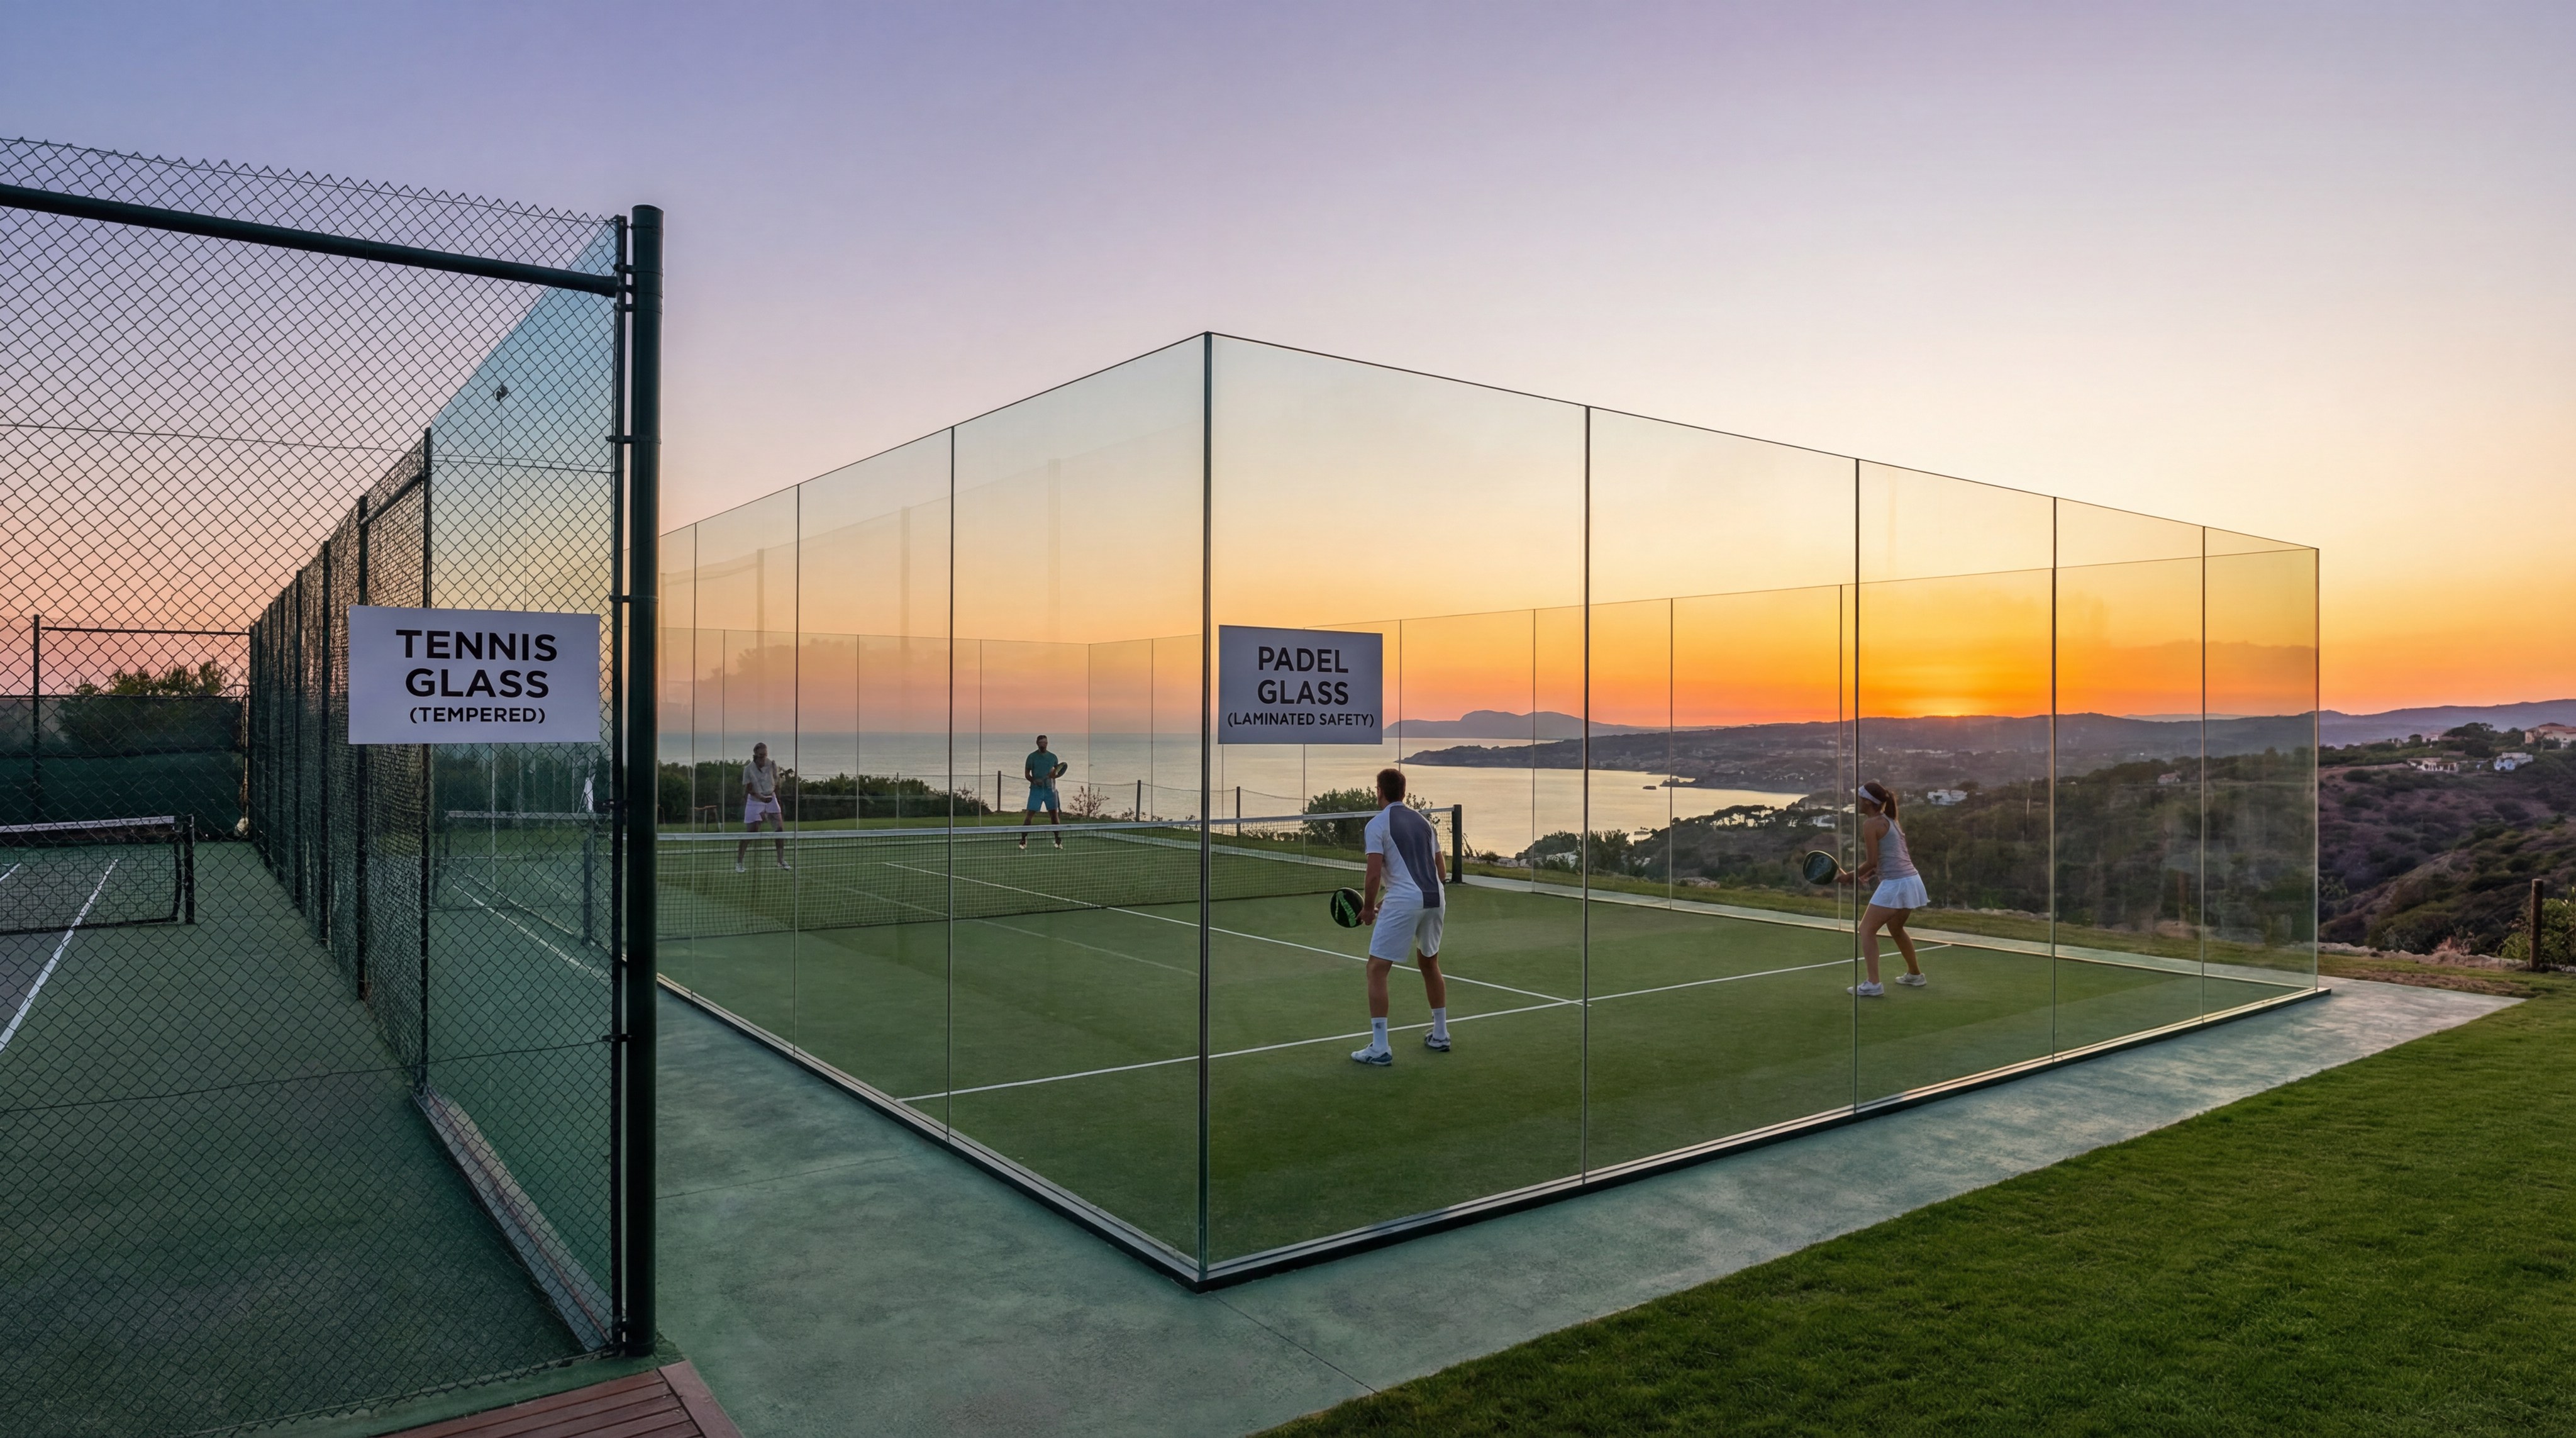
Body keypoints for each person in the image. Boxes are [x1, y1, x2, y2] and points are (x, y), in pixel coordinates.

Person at [1351, 767, 1451, 1066]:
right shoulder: (1424, 823)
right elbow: (1441, 873)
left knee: (1376, 969)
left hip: (1407, 900)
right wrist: (1393, 896)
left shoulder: (1377, 825)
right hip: (1435, 898)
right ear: (1404, 793)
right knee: (1429, 962)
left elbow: (1372, 874)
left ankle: (1380, 1047)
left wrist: (1369, 909)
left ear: (1379, 791)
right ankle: (1441, 1034)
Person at [1840, 779, 1927, 995]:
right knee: (1896, 929)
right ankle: (1915, 976)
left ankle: (1874, 984)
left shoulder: (1871, 824)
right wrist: (1868, 875)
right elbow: (1884, 860)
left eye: (1860, 800)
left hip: (1897, 884)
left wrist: (1850, 877)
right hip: (1912, 881)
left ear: (1868, 803)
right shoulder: (1891, 819)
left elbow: (1871, 861)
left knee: (1866, 930)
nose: (1858, 803)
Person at [736, 742, 790, 872]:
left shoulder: (771, 765)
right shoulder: (748, 769)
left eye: (765, 755)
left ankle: (781, 860)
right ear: (755, 755)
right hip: (755, 801)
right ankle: (739, 863)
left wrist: (775, 798)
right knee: (752, 832)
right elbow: (749, 790)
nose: (763, 758)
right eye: (760, 755)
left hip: (771, 798)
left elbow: (776, 783)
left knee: (780, 830)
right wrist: (762, 799)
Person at [1020, 734, 1067, 850]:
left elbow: (1056, 773)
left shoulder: (1053, 757)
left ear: (1047, 744)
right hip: (1036, 791)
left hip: (1050, 791)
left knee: (1054, 816)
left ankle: (1058, 840)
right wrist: (1034, 781)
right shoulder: (1031, 757)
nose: (1043, 745)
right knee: (1029, 815)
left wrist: (1052, 777)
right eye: (1041, 743)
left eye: (1045, 743)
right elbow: (1027, 774)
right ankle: (1023, 840)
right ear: (1037, 744)